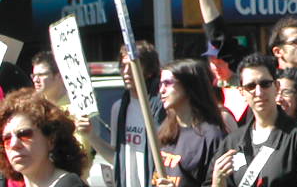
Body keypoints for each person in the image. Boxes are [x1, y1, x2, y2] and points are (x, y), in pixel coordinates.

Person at [203, 53, 297, 187]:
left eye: (265, 84)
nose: (259, 92)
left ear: (277, 87)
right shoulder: (232, 142)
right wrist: (217, 182)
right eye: (250, 86)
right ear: (242, 92)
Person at [77, 41, 166, 187]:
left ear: (149, 71)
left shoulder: (162, 108)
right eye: (123, 66)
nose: (126, 72)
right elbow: (116, 158)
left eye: (132, 66)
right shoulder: (119, 109)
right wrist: (91, 136)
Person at [154, 59, 227, 187]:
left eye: (167, 83)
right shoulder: (166, 130)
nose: (161, 90)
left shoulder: (212, 137)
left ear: (188, 85)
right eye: (160, 84)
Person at [0, 88, 88, 187]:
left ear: (51, 140)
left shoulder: (70, 184)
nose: (14, 144)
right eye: (7, 139)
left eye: (24, 134)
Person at [31, 52, 93, 179]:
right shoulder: (34, 108)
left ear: (59, 76)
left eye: (41, 75)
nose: (35, 80)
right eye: (33, 75)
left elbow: (82, 157)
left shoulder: (77, 108)